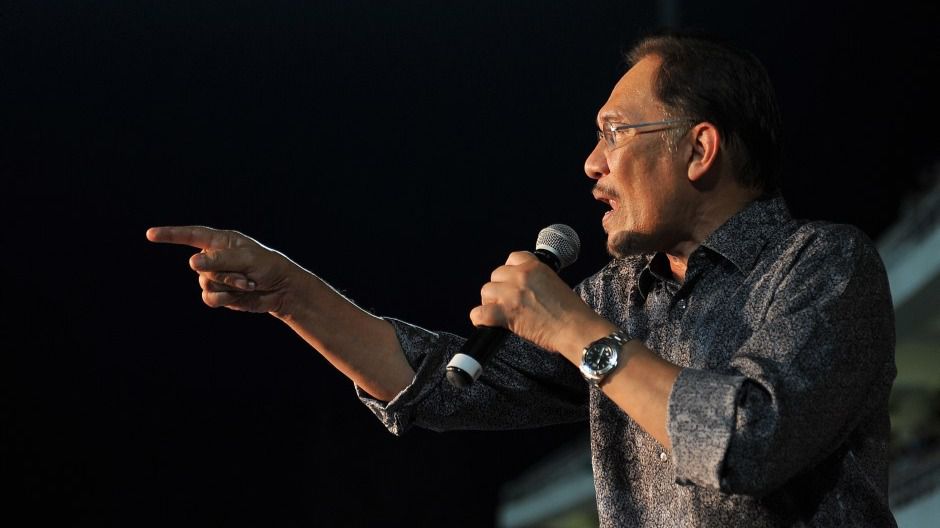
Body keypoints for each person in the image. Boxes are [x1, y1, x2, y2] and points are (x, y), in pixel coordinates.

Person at [147, 33, 897, 527]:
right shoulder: (619, 295)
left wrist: (572, 330)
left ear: (699, 150)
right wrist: (292, 293)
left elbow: (750, 441)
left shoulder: (826, 266)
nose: (592, 164)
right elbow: (441, 390)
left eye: (614, 132)